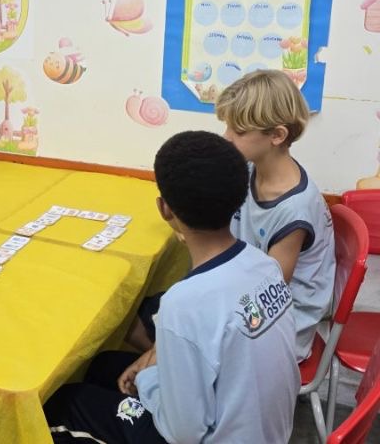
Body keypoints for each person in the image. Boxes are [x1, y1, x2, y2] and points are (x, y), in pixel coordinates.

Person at [44, 130, 300, 444]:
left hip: (200, 434)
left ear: (164, 209)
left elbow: (184, 432)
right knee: (103, 365)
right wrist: (155, 369)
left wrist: (151, 378)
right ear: (238, 198)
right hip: (263, 429)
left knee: (63, 404)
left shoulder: (183, 303)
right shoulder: (265, 265)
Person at [216, 69, 335, 362]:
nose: (226, 138)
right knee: (149, 313)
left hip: (278, 329)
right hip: (242, 295)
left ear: (277, 135)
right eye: (228, 127)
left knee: (179, 332)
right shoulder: (250, 169)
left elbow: (267, 296)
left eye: (239, 132)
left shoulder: (294, 210)